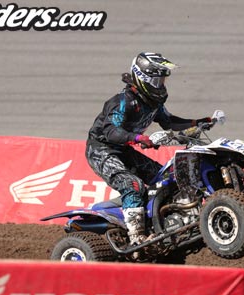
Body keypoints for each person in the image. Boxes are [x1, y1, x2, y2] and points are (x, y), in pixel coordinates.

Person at [85, 52, 213, 245]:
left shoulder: (152, 102)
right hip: (101, 150)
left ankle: (163, 225)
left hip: (124, 149)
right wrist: (137, 138)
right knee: (132, 185)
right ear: (143, 78)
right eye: (157, 81)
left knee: (166, 179)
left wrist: (197, 122)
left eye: (162, 81)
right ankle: (136, 237)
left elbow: (169, 122)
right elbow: (110, 131)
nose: (160, 85)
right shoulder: (123, 101)